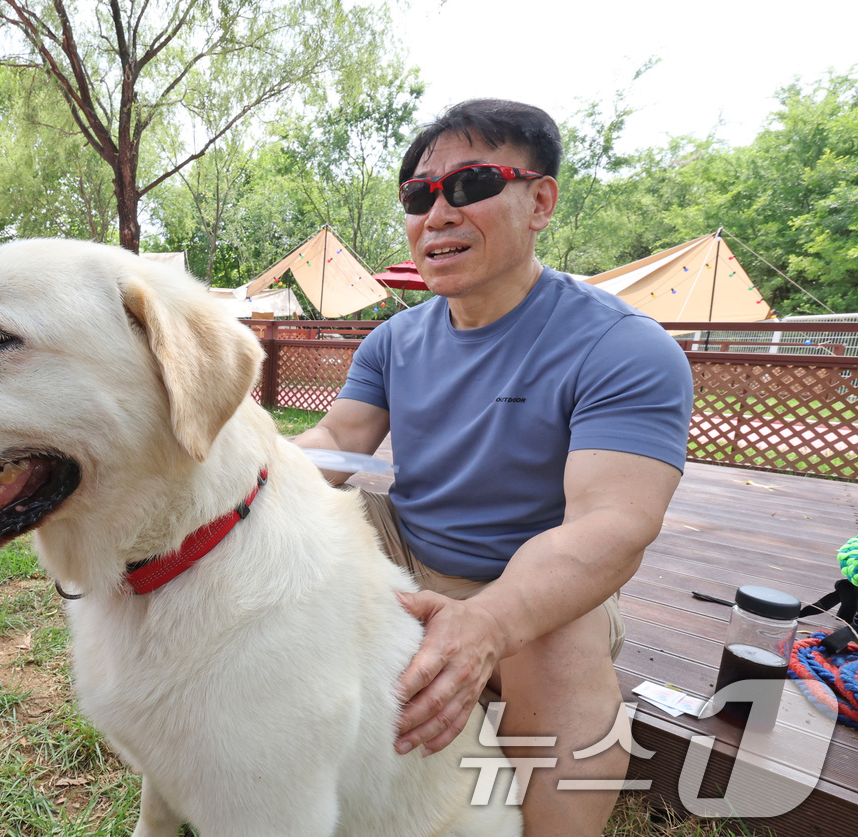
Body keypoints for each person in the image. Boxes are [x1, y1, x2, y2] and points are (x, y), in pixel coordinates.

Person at [294, 99, 693, 837]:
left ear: (540, 200)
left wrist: (486, 623)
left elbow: (615, 523)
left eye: (472, 184)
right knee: (295, 533)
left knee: (560, 637)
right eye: (419, 195)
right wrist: (241, 490)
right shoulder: (394, 340)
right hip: (408, 544)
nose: (437, 213)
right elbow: (337, 438)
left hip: (529, 573)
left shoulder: (623, 347)